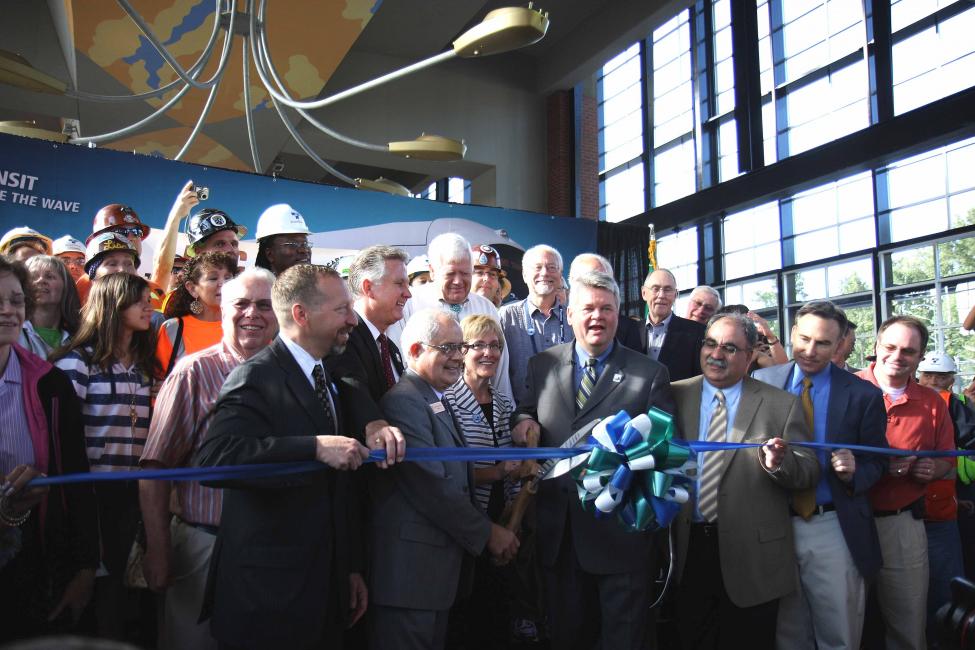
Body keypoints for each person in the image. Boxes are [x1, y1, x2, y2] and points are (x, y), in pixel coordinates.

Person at [194, 264, 371, 649]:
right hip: (268, 600)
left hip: (324, 591)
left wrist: (349, 568)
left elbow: (336, 489)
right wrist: (314, 447)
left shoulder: (327, 374)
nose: (353, 320)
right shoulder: (257, 376)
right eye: (342, 309)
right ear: (301, 315)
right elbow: (216, 458)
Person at [511, 271, 675, 649]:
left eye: (607, 309)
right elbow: (524, 411)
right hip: (559, 536)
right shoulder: (541, 365)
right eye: (588, 308)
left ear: (619, 314)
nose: (597, 317)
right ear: (569, 314)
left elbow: (664, 455)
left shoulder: (650, 374)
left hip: (621, 542)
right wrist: (522, 423)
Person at [139, 268, 278, 650]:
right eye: (241, 304)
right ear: (222, 309)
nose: (252, 313)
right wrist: (158, 547)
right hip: (203, 548)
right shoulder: (192, 372)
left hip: (273, 551)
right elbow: (154, 468)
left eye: (264, 305)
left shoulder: (294, 374)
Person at [369, 309, 519, 650]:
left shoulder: (435, 397)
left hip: (435, 578)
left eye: (459, 348)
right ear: (415, 352)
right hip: (410, 580)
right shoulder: (404, 403)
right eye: (447, 348)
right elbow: (431, 486)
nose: (457, 358)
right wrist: (487, 532)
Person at [670, 312, 819, 650]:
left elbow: (809, 471)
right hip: (689, 548)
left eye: (729, 348)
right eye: (710, 344)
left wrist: (780, 464)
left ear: (751, 355)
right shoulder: (673, 396)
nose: (716, 355)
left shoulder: (782, 404)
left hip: (754, 559)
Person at [753, 300, 888, 650]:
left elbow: (879, 462)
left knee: (838, 634)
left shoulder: (863, 395)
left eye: (824, 343)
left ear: (840, 344)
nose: (811, 351)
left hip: (833, 525)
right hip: (773, 525)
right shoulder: (760, 382)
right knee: (788, 634)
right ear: (792, 334)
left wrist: (856, 471)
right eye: (805, 339)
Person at [51, 272, 159, 641]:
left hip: (136, 498)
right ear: (113, 306)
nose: (150, 306)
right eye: (139, 300)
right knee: (94, 601)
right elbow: (62, 443)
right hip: (90, 498)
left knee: (125, 602)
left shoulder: (146, 367)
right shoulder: (76, 365)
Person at [0, 255, 98, 639]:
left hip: (30, 570)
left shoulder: (51, 386)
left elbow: (75, 479)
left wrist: (86, 568)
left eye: (15, 300)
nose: (8, 311)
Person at [856, 315, 955, 650]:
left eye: (909, 351)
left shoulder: (931, 402)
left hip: (901, 524)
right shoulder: (846, 388)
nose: (898, 356)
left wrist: (933, 468)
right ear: (876, 347)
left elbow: (947, 457)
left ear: (920, 356)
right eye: (891, 347)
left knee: (908, 624)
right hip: (844, 521)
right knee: (840, 624)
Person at [443, 314, 523, 649]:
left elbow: (517, 469)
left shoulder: (505, 403)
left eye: (495, 346)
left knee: (498, 616)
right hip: (464, 525)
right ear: (462, 351)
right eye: (479, 345)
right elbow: (446, 475)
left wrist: (515, 521)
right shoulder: (446, 402)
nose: (488, 353)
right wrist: (500, 471)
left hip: (504, 521)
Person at [391, 233, 512, 401]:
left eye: (465, 273)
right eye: (450, 273)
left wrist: (505, 409)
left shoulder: (486, 307)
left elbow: (500, 370)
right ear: (433, 271)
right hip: (427, 407)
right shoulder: (409, 303)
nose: (458, 281)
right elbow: (399, 364)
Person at [327, 245, 409, 462]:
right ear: (368, 287)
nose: (408, 293)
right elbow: (349, 381)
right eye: (399, 284)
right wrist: (372, 423)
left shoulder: (389, 347)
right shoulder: (345, 336)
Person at [915, 352, 970, 645]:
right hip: (911, 511)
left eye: (941, 377)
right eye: (928, 376)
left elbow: (966, 457)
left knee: (944, 587)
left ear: (951, 379)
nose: (934, 382)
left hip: (941, 511)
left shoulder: (957, 406)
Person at [499, 244, 572, 406]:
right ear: (525, 275)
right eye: (537, 267)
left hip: (565, 414)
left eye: (552, 267)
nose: (545, 273)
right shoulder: (506, 317)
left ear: (560, 275)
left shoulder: (573, 317)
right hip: (520, 415)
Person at [155, 252, 237, 377]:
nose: (223, 284)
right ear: (192, 288)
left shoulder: (245, 325)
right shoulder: (174, 328)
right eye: (213, 278)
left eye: (228, 277)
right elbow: (159, 384)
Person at [566, 252, 644, 355]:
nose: (595, 283)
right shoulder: (555, 320)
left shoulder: (628, 328)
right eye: (587, 278)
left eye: (602, 279)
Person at [640, 268, 706, 381]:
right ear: (644, 293)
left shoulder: (697, 333)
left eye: (667, 289)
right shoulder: (630, 331)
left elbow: (700, 380)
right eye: (655, 289)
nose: (661, 295)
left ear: (675, 295)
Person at [18, 255, 81, 358]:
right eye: (33, 277)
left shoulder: (79, 339)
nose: (41, 281)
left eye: (49, 276)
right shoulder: (14, 334)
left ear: (66, 286)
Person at [253, 203, 312, 275]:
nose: (304, 250)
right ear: (270, 254)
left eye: (305, 244)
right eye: (292, 244)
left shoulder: (316, 285)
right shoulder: (259, 285)